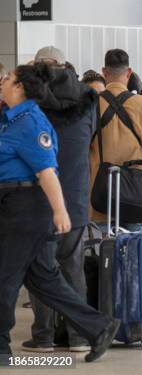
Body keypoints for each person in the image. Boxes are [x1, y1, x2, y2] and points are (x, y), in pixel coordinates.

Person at [0, 63, 120, 365]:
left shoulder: (30, 122)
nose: (3, 81)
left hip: (25, 209)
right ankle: (99, 327)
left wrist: (59, 211)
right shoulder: (14, 119)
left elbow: (47, 171)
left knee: (5, 278)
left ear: (21, 88)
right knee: (44, 280)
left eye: (9, 78)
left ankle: (0, 347)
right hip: (21, 206)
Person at [21, 46, 98, 353]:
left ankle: (43, 337)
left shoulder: (29, 96)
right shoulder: (88, 96)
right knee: (73, 268)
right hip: (76, 195)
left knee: (41, 270)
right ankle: (79, 337)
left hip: (38, 196)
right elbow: (90, 137)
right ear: (65, 64)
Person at [90, 49, 142, 230]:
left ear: (104, 72)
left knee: (100, 251)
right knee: (134, 251)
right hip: (137, 194)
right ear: (128, 72)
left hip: (100, 193)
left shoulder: (91, 104)